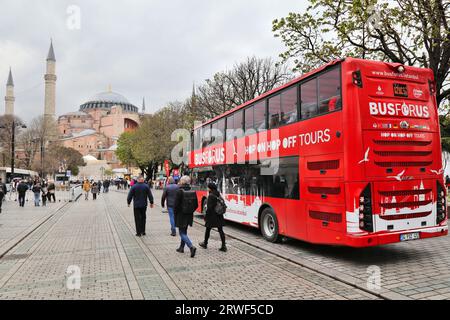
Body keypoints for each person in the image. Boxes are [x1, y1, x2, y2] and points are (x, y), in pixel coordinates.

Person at [173, 176, 198, 257]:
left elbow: (176, 205)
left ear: (182, 182)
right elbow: (196, 205)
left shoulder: (179, 191)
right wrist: (190, 211)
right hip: (189, 215)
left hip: (181, 214)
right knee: (184, 231)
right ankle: (181, 247)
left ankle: (191, 247)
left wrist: (175, 213)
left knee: (181, 232)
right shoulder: (193, 191)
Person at [199, 183, 227, 252]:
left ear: (210, 188)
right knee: (220, 230)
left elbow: (209, 208)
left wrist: (206, 216)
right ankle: (223, 246)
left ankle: (205, 243)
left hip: (212, 216)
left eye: (208, 187)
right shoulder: (218, 194)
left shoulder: (211, 195)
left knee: (208, 230)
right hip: (219, 214)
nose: (207, 188)